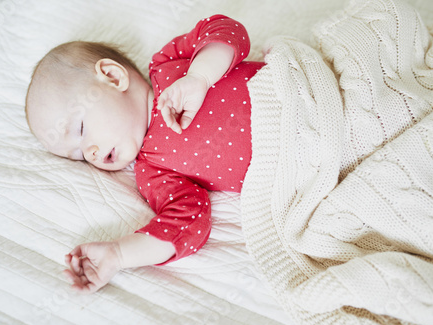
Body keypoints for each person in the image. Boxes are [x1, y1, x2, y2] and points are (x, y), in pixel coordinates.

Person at [25, 14, 264, 294]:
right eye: (77, 155)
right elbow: (186, 224)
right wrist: (119, 254)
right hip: (304, 161)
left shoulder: (167, 65)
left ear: (113, 77)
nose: (89, 152)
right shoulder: (152, 173)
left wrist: (200, 76)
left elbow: (226, 29)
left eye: (80, 128)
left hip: (296, 89)